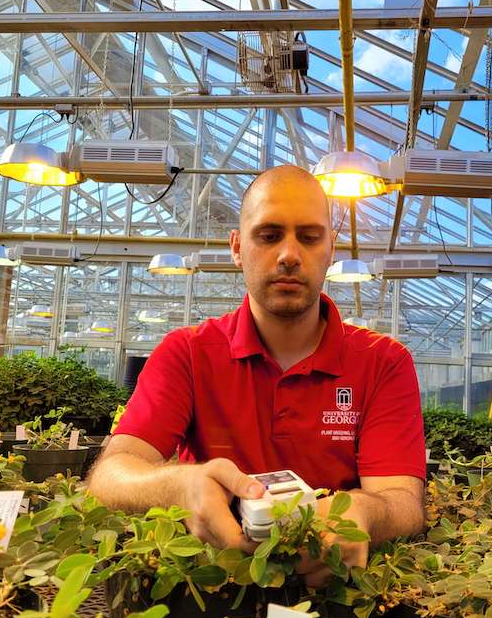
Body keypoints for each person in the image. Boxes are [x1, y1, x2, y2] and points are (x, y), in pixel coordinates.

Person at [88, 165, 425, 586]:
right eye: (268, 236)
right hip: (209, 585)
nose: (288, 254)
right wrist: (182, 485)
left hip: (334, 588)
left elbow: (403, 502)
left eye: (309, 236)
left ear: (331, 248)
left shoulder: (383, 361)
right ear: (237, 247)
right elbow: (110, 474)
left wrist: (362, 513)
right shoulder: (188, 353)